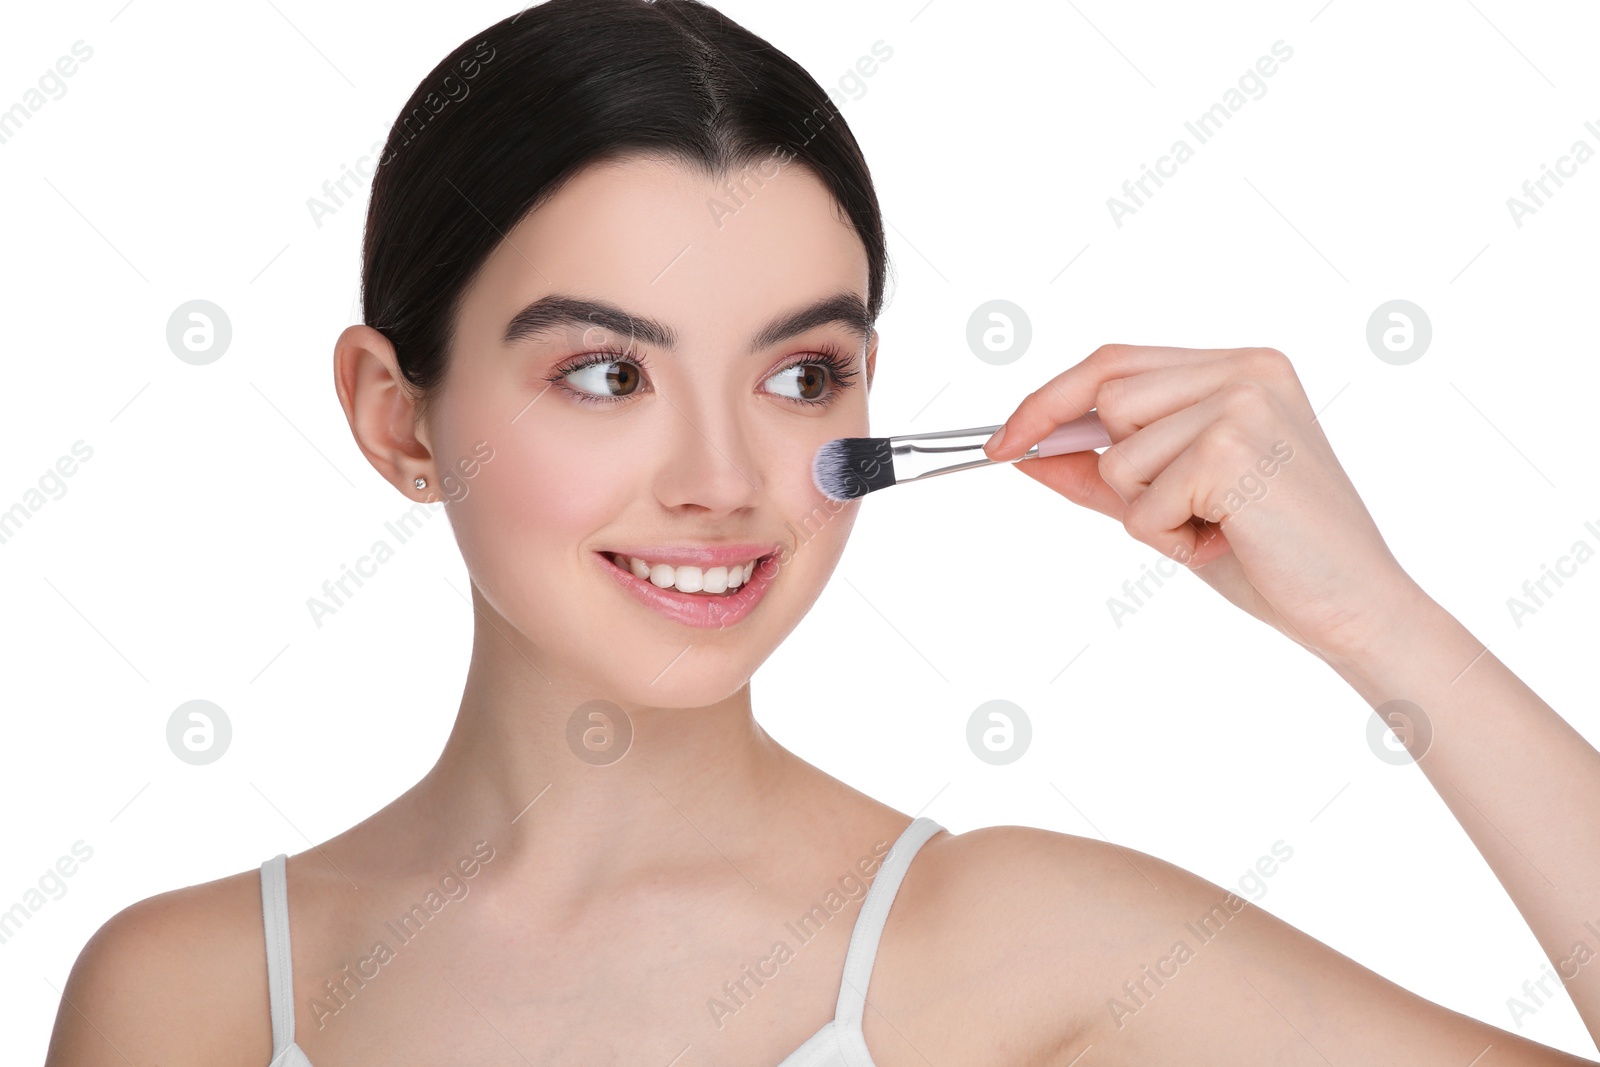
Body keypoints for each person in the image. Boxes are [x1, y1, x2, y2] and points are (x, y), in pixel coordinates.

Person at [45, 1, 1600, 1063]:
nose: (725, 478)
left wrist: (1382, 622)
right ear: (397, 415)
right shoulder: (183, 997)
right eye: (605, 373)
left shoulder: (1025, 941)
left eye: (803, 376)